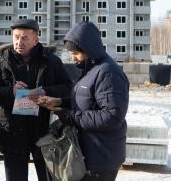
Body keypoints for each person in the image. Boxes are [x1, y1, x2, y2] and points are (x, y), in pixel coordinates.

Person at [38, 21, 129, 181]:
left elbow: (111, 116)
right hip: (88, 153)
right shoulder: (91, 70)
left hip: (101, 156)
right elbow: (86, 101)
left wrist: (71, 117)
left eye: (76, 53)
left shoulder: (108, 73)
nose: (72, 57)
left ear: (89, 49)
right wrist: (60, 101)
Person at [0, 19, 72, 181]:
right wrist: (12, 92)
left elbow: (67, 88)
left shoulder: (51, 61)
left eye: (24, 38)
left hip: (43, 132)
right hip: (12, 132)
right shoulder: (1, 63)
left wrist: (47, 92)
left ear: (36, 40)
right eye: (16, 37)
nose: (19, 42)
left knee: (47, 178)